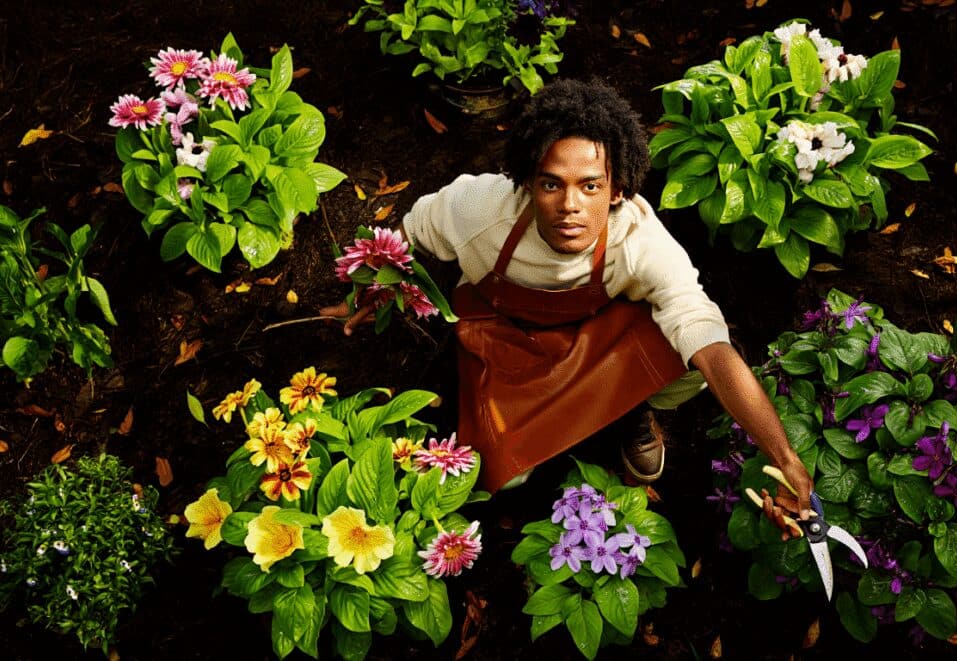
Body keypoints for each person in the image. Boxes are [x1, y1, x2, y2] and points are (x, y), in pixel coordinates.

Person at [323, 78, 812, 533]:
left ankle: (633, 412)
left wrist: (784, 457)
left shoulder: (639, 240)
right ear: (527, 183)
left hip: (591, 336)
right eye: (551, 184)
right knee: (506, 478)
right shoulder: (480, 210)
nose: (570, 205)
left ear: (618, 189)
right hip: (505, 341)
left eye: (590, 186)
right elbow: (409, 234)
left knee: (691, 359)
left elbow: (709, 341)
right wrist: (370, 288)